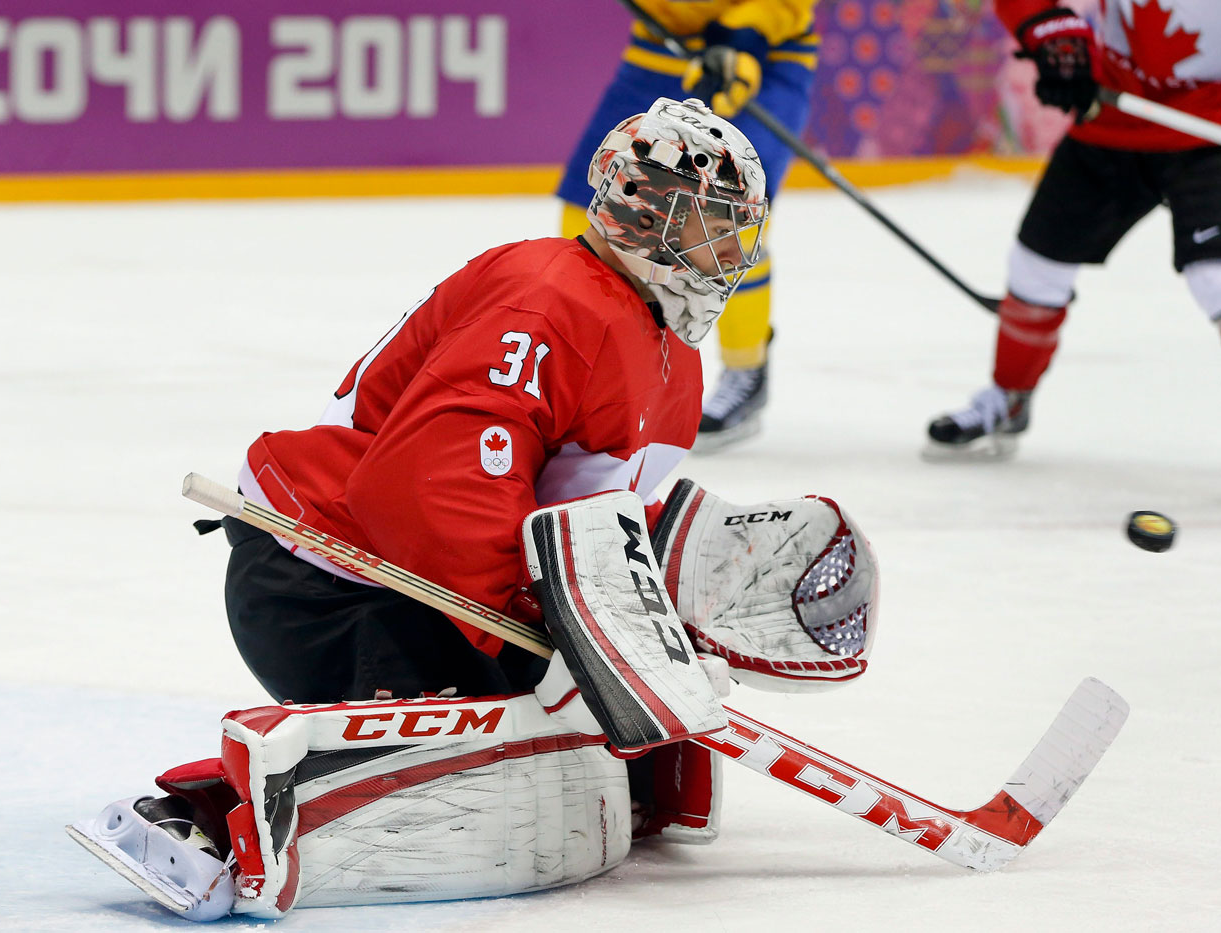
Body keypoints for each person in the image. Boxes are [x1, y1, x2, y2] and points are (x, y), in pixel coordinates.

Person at [67, 98, 879, 922]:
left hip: (442, 584)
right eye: (714, 224)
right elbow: (423, 491)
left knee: (570, 745)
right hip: (335, 574)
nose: (733, 250)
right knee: (491, 761)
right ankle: (205, 814)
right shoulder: (549, 297)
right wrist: (553, 633)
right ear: (648, 213)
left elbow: (594, 528)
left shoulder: (671, 356)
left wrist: (638, 631)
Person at [926, 0, 1221, 458]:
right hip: (1112, 120)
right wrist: (1047, 29)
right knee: (1036, 268)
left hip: (1210, 131)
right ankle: (1009, 398)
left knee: (1215, 277)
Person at [558, 0, 820, 451]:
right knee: (591, 209)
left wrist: (743, 38)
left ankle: (746, 367)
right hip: (659, 48)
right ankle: (584, 366)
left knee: (730, 225)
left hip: (762, 53)